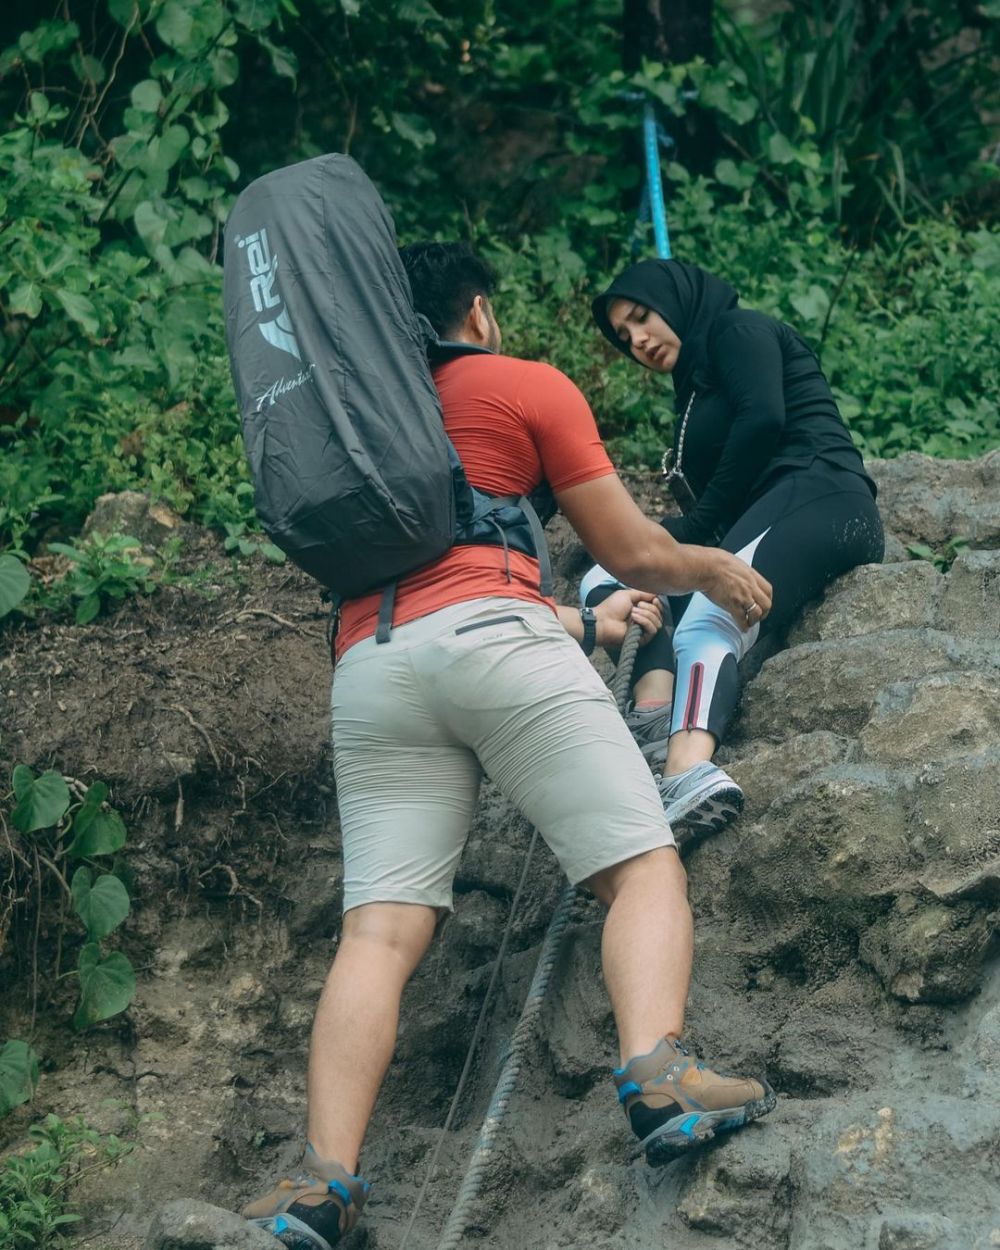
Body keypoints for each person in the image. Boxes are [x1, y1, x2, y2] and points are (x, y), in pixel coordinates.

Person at [242, 244, 776, 1250]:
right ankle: (660, 1076)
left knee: (378, 935)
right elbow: (632, 550)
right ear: (478, 312)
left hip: (370, 667)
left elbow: (430, 586)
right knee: (641, 865)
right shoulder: (520, 384)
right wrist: (711, 567)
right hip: (496, 642)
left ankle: (319, 1183)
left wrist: (582, 624)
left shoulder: (349, 417)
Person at [583, 258, 885, 849]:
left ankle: (687, 772)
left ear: (674, 301)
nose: (638, 339)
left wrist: (695, 528)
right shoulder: (693, 388)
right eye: (624, 335)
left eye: (642, 317)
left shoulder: (736, 330)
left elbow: (764, 418)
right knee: (610, 571)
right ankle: (655, 712)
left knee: (709, 616)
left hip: (820, 494)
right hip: (761, 516)